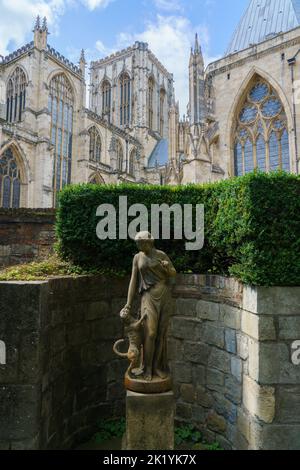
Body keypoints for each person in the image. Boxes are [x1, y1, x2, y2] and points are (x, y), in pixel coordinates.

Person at [122, 231, 176, 382]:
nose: (138, 245)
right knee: (150, 333)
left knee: (160, 333)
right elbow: (133, 281)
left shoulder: (161, 254)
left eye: (140, 243)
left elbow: (173, 273)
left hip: (164, 295)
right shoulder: (137, 257)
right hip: (148, 296)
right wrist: (128, 303)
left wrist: (167, 267)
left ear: (148, 243)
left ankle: (157, 367)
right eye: (137, 243)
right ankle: (147, 367)